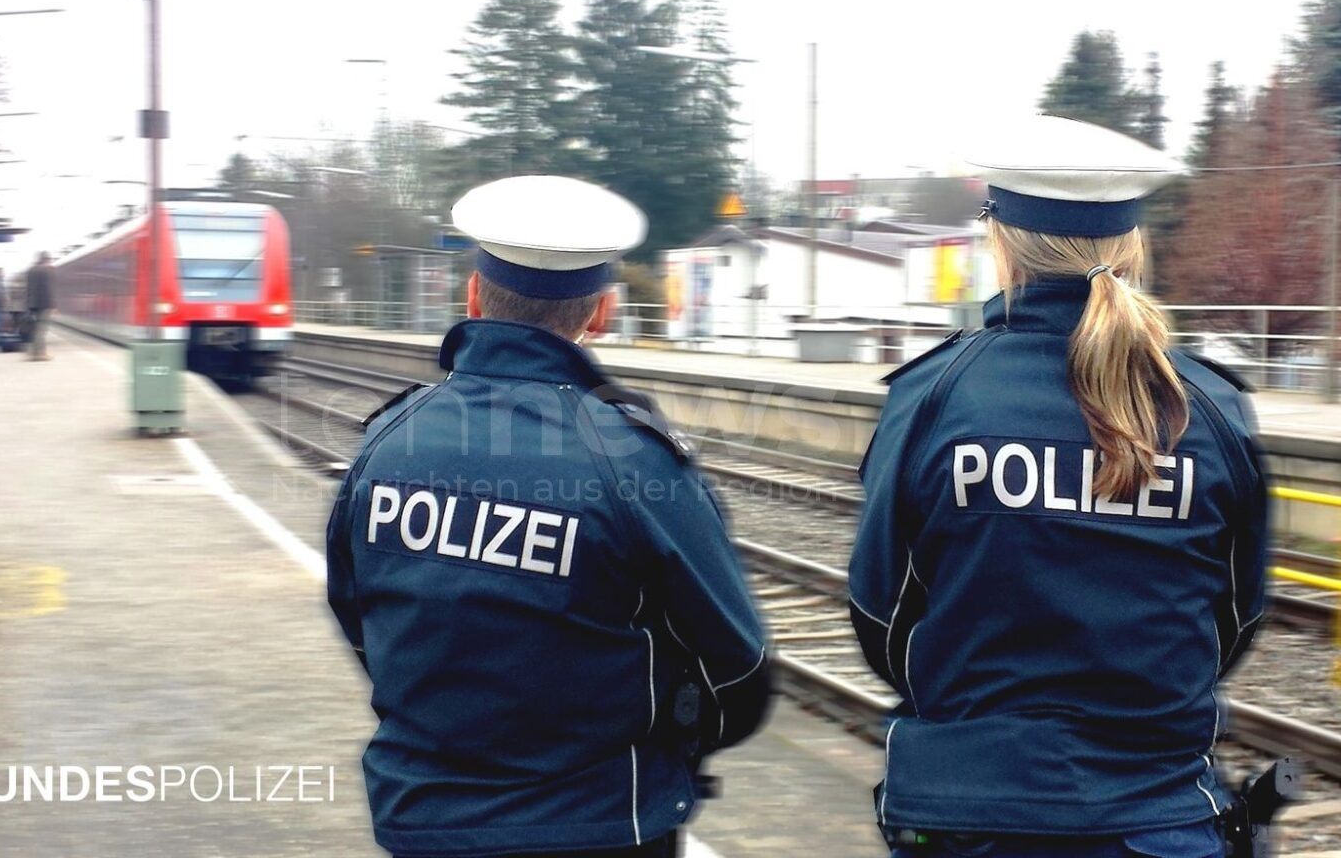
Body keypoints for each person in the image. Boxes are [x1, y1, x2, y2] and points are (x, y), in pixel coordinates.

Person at [848, 115, 1268, 858]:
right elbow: (1234, 616)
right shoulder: (1210, 409)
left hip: (966, 816)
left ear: (1002, 243)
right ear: (1133, 244)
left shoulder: (933, 400)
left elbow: (883, 614)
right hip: (1156, 815)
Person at [326, 175, 771, 858]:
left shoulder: (387, 442)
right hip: (602, 823)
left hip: (424, 821)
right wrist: (670, 737)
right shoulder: (631, 459)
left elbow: (360, 618)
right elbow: (739, 667)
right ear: (601, 312)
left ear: (473, 296)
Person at [25, 251, 55, 361]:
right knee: (41, 330)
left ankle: (34, 353)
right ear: (46, 259)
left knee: (36, 329)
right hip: (44, 304)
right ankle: (41, 354)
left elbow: (28, 289)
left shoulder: (31, 270)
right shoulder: (46, 270)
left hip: (33, 304)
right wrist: (53, 305)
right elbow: (48, 289)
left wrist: (29, 305)